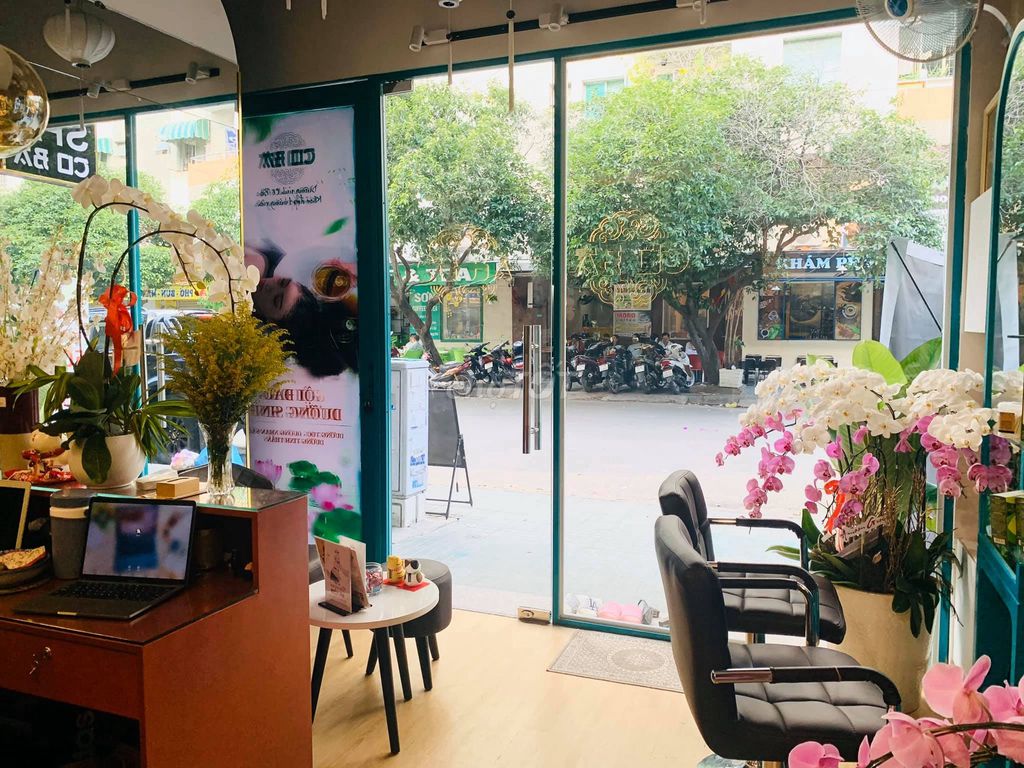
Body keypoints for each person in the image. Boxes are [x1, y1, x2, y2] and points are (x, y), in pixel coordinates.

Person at [245, 242, 358, 378]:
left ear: (272, 323)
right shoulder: (259, 263)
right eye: (282, 282)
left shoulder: (251, 338)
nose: (269, 287)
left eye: (276, 301)